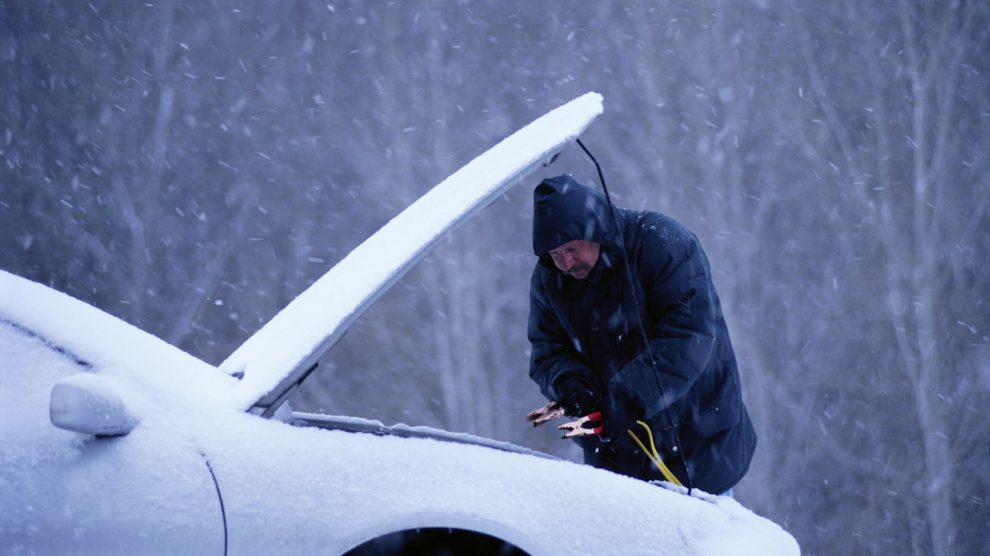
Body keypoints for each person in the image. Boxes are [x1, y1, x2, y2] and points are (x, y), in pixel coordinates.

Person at [527, 174, 756, 495]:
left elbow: (689, 337)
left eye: (571, 248)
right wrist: (570, 384)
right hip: (616, 463)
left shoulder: (662, 243)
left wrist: (628, 397)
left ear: (595, 228)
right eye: (553, 254)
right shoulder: (549, 280)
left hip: (698, 448)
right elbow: (546, 352)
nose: (564, 262)